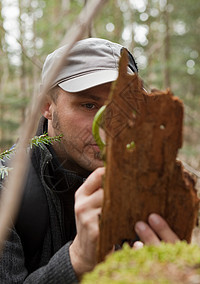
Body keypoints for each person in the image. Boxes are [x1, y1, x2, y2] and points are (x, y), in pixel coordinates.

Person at [0, 38, 179, 283]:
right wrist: (77, 261)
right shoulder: (6, 190)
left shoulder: (147, 187)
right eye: (88, 104)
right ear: (47, 106)